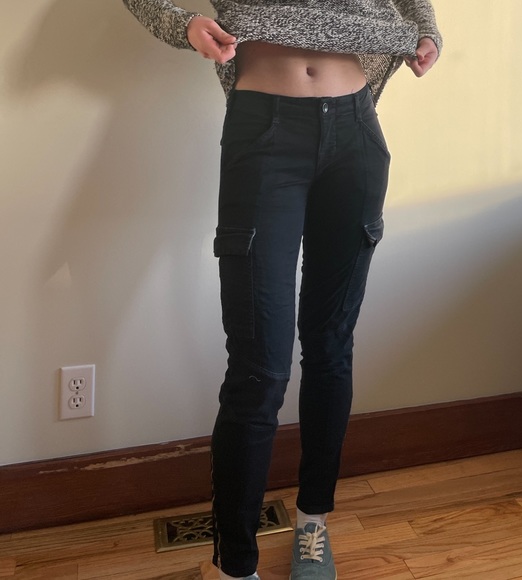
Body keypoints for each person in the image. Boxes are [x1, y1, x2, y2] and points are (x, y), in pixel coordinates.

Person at [122, 1, 442, 579]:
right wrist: (185, 25)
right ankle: (236, 565)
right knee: (259, 369)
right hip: (264, 127)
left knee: (330, 347)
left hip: (356, 130)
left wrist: (428, 32)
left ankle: (313, 522)